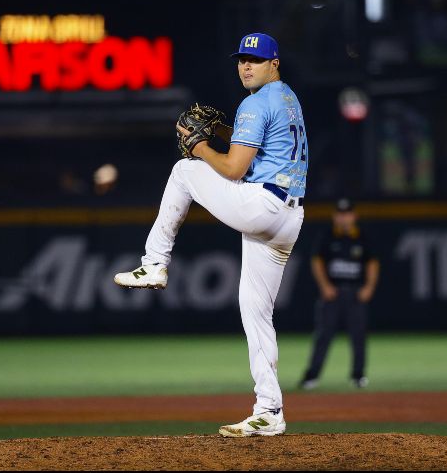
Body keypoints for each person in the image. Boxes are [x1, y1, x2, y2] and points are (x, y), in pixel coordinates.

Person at [113, 33, 307, 437]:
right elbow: (256, 152)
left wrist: (200, 146)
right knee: (255, 309)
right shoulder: (287, 97)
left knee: (185, 171)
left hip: (262, 205)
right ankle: (269, 410)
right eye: (241, 60)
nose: (246, 66)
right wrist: (220, 130)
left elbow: (235, 170)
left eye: (255, 60)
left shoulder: (255, 102)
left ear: (275, 63)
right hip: (288, 216)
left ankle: (154, 264)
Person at [299, 198, 379, 390]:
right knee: (323, 336)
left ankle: (358, 376)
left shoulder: (362, 237)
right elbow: (316, 262)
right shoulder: (327, 236)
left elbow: (372, 263)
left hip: (355, 294)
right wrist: (325, 286)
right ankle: (312, 376)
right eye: (340, 214)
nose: (344, 218)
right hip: (332, 295)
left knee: (358, 336)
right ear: (335, 216)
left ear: (354, 216)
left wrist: (369, 287)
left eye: (347, 214)